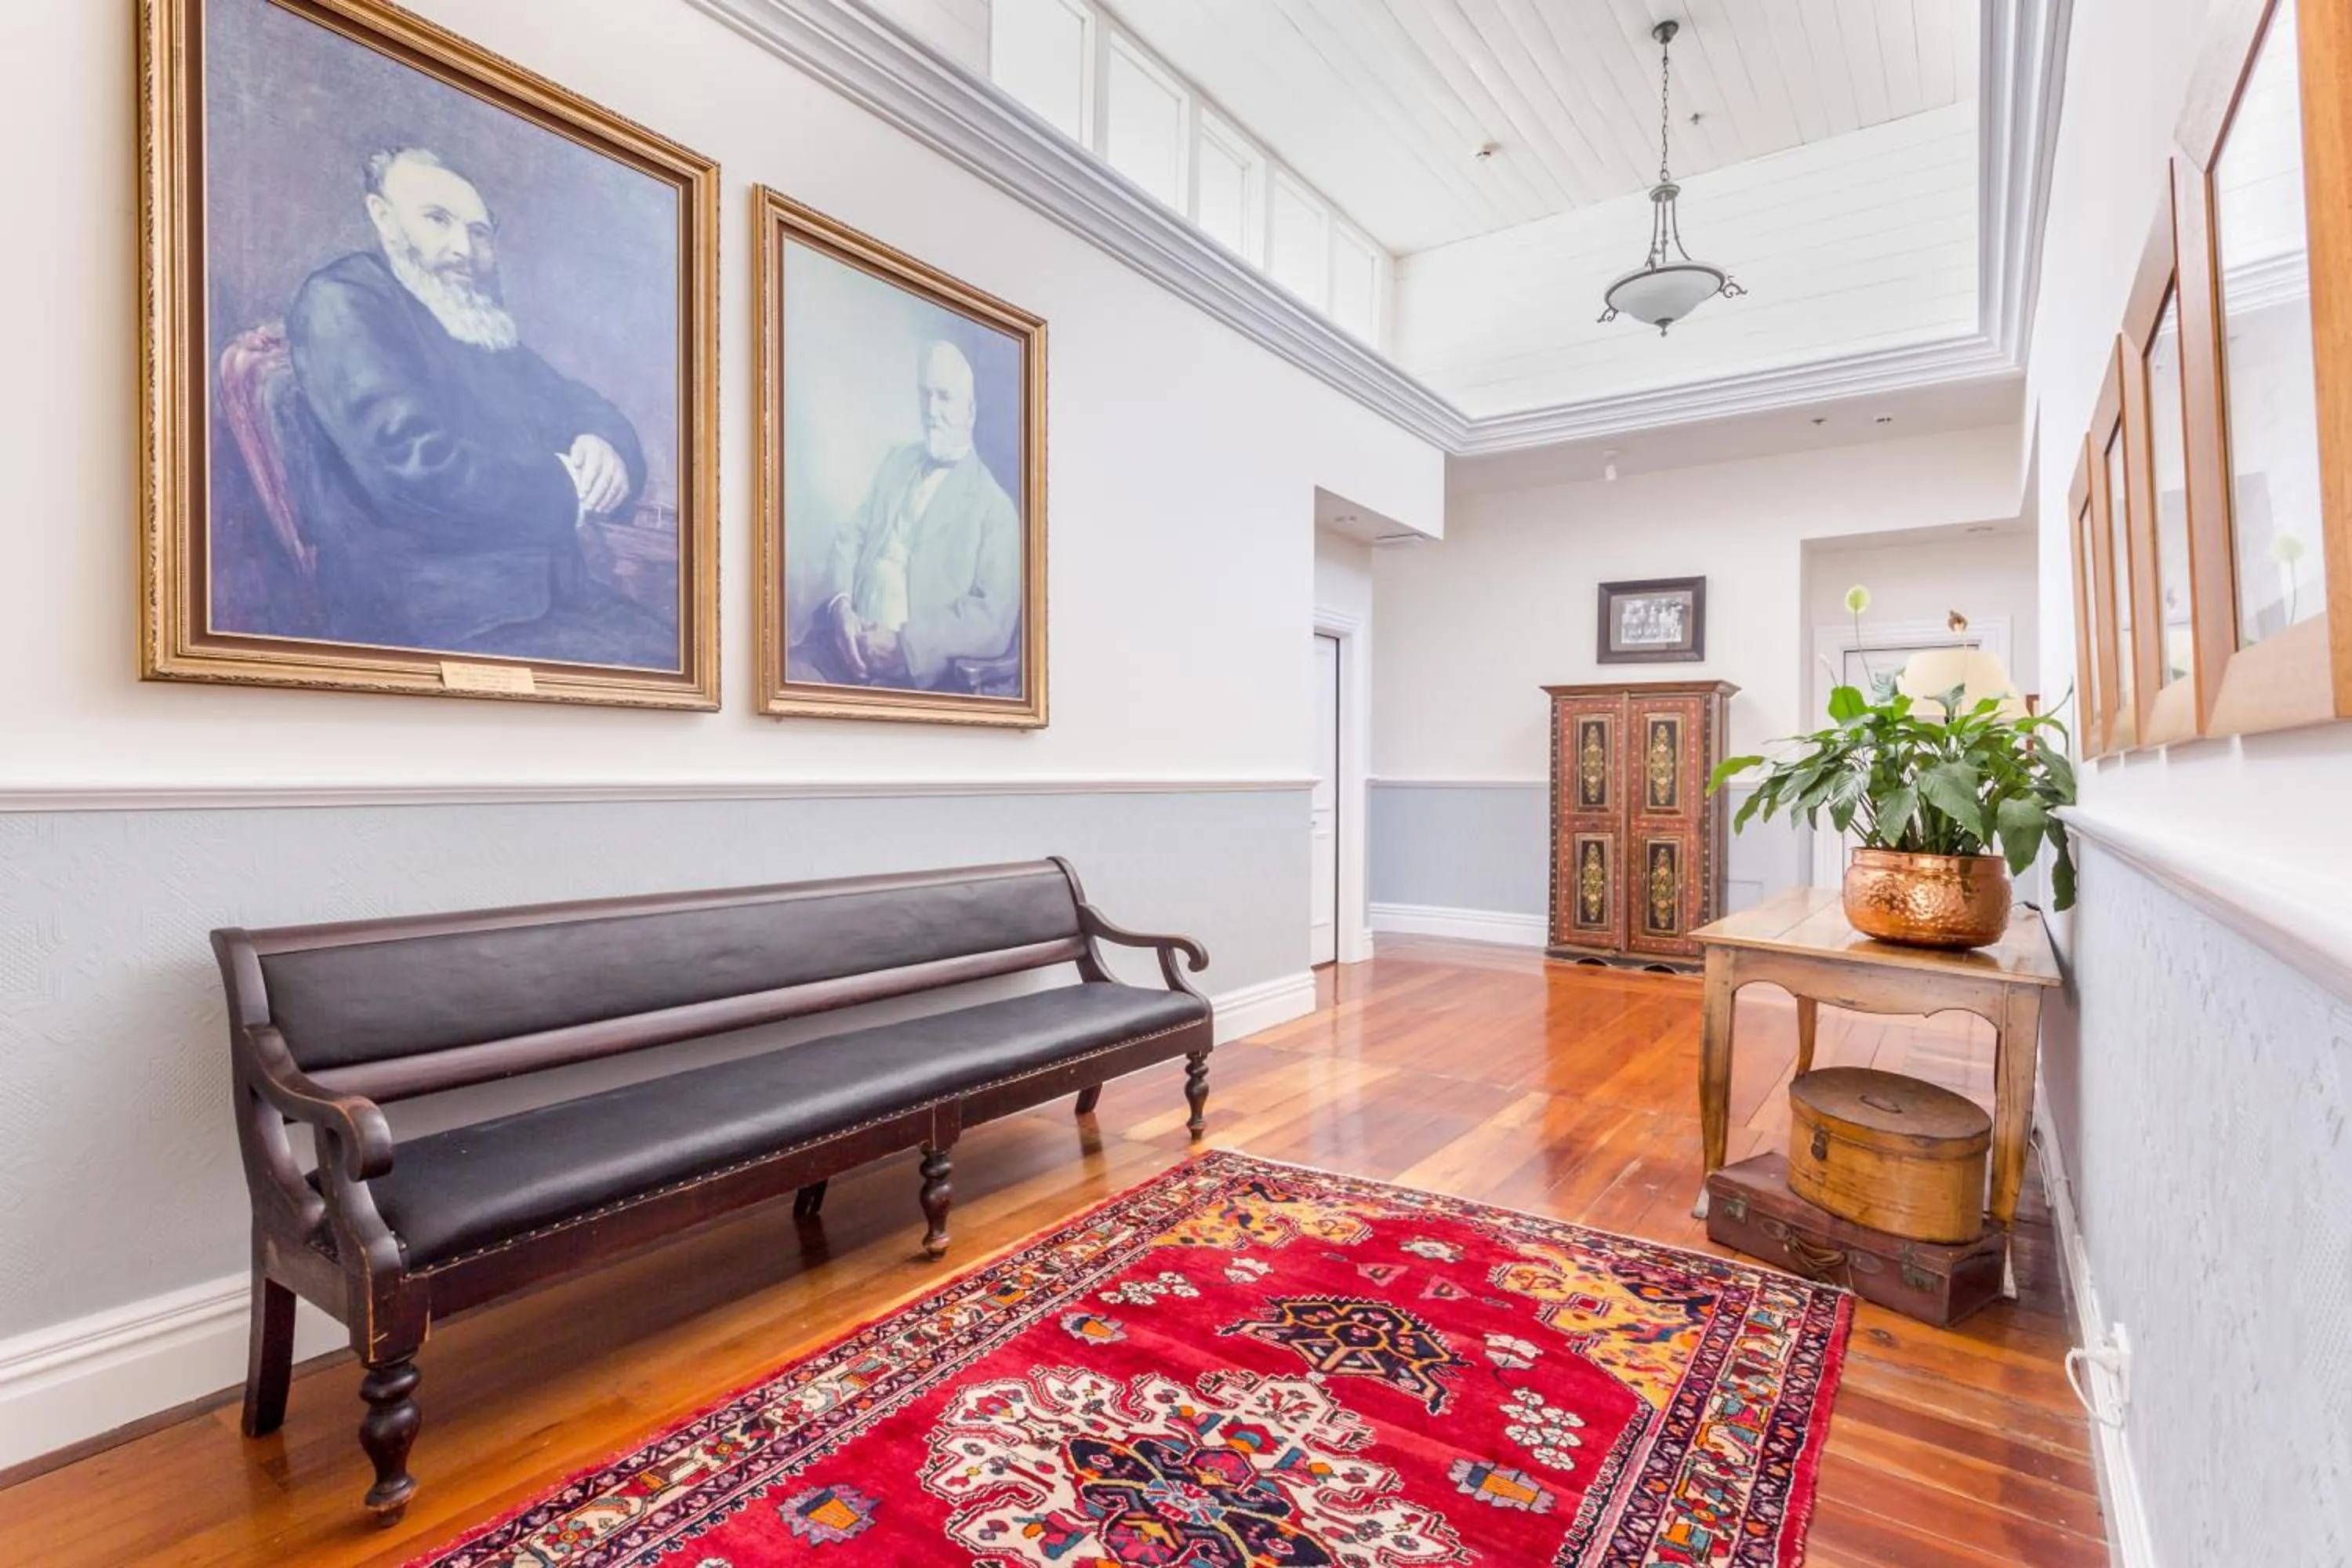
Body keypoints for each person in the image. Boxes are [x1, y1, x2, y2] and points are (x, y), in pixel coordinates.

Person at [281, 146, 672, 667]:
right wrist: (568, 487)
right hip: (433, 622)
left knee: (673, 659)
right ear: (384, 217)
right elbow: (413, 468)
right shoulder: (345, 300)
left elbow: (580, 405)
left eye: (479, 232)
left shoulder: (470, 319)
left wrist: (606, 446)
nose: (463, 249)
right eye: (437, 219)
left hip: (550, 604)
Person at [791, 339, 1021, 691]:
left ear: (971, 411)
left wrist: (903, 646)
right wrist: (842, 607)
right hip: (842, 647)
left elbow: (991, 621)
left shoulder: (996, 511)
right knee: (779, 674)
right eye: (924, 394)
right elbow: (851, 536)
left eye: (944, 397)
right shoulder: (897, 462)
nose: (931, 410)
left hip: (907, 676)